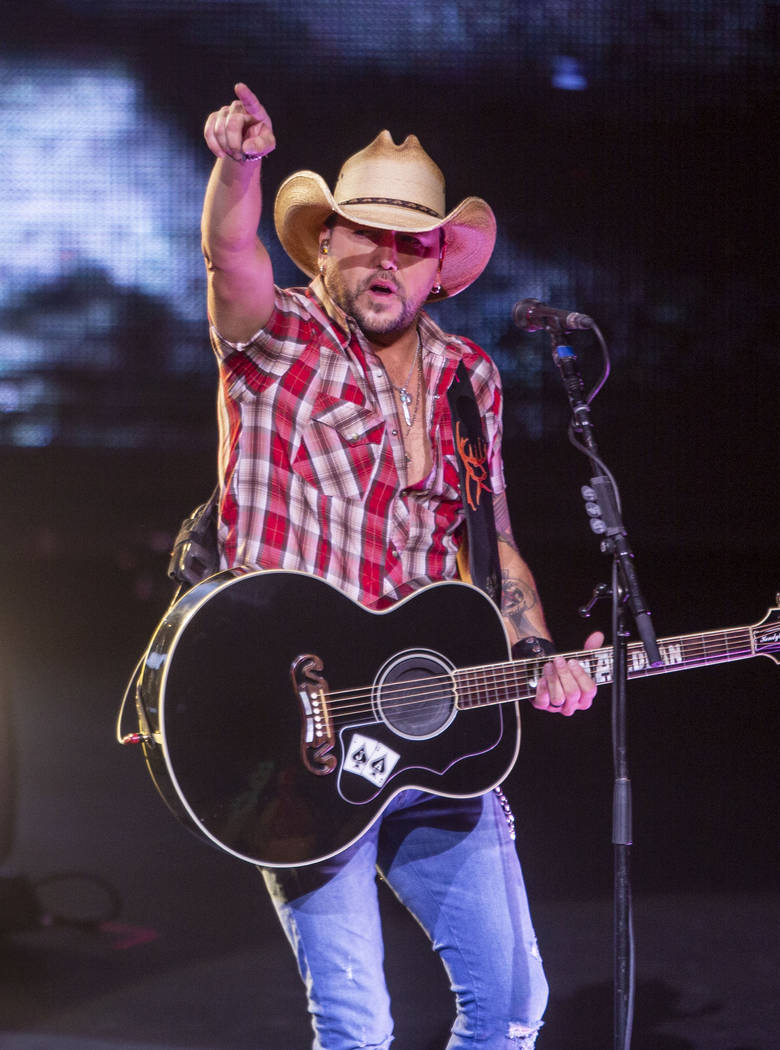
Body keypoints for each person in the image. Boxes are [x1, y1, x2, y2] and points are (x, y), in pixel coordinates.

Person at [201, 81, 603, 1050]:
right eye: (363, 234)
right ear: (326, 241)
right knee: (358, 1030)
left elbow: (490, 538)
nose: (384, 258)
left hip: (432, 729)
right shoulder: (278, 338)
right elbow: (228, 251)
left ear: (439, 268)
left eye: (409, 242)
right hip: (304, 740)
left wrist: (539, 648)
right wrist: (238, 164)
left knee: (511, 1007)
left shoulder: (470, 380)